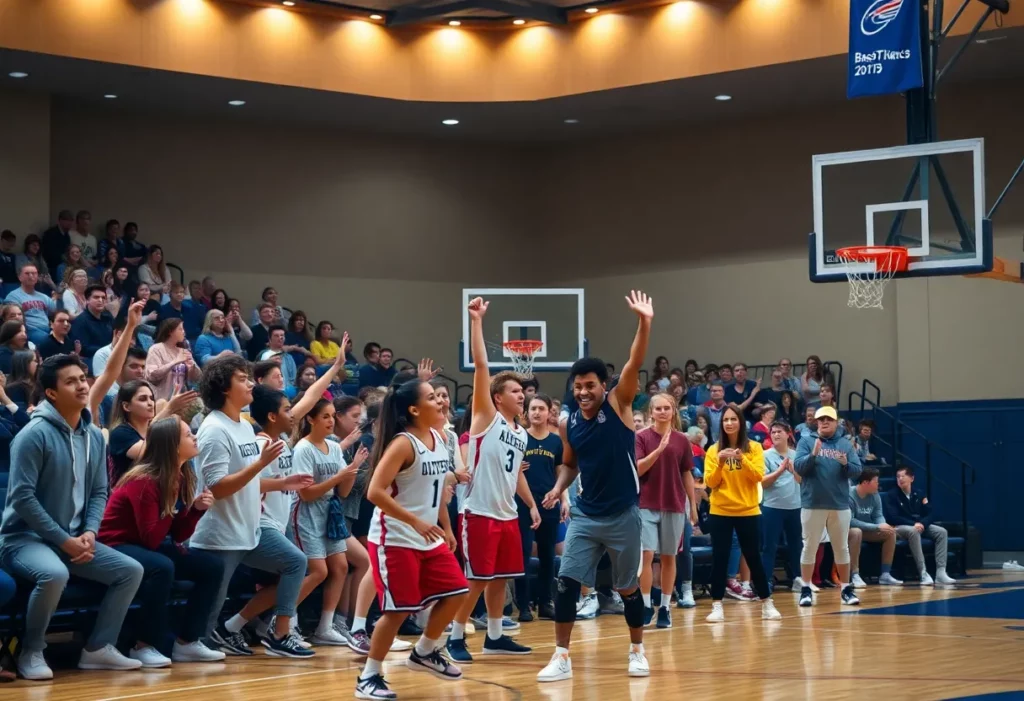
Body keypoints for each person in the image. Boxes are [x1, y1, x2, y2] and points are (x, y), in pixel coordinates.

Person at [0, 354, 145, 680]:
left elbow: (99, 492)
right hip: (23, 539)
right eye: (71, 381)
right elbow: (22, 499)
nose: (82, 385)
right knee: (53, 575)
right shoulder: (32, 435)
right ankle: (32, 650)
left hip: (76, 538)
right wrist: (64, 540)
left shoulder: (94, 435)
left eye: (83, 378)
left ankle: (98, 648)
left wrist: (90, 532)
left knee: (130, 571)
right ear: (51, 393)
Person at [536, 290, 654, 683]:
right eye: (577, 386)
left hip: (623, 514)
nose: (583, 391)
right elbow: (570, 464)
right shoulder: (568, 423)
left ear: (604, 385)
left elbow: (635, 360)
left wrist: (644, 321)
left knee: (627, 589)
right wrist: (558, 488)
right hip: (587, 513)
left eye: (590, 385)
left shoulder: (619, 404)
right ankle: (561, 656)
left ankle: (637, 650)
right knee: (566, 582)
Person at [188, 355, 313, 658]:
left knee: (295, 562)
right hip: (221, 533)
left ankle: (280, 634)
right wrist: (260, 464)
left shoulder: (243, 426)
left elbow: (247, 481)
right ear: (225, 389)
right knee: (208, 612)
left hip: (250, 530)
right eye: (242, 379)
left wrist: (282, 483)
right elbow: (218, 486)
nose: (249, 384)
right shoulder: (214, 429)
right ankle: (196, 646)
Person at [355, 379, 469, 700]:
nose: (441, 402)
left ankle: (424, 652)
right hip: (395, 538)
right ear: (414, 409)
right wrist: (416, 521)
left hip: (427, 535)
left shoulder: (437, 436)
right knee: (396, 611)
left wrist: (445, 526)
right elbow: (375, 491)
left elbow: (438, 490)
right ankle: (369, 676)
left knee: (458, 591)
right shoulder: (403, 444)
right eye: (433, 398)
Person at [445, 297, 538, 663]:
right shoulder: (486, 418)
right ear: (497, 398)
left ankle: (496, 636)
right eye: (516, 391)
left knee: (502, 578)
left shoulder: (523, 433)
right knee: (478, 578)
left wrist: (529, 505)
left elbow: (515, 476)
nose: (523, 395)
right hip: (478, 511)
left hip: (506, 513)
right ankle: (455, 636)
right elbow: (482, 366)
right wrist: (477, 322)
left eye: (523, 391)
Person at [96, 417, 227, 665]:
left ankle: (188, 642)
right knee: (161, 566)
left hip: (143, 543)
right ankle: (143, 645)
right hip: (115, 543)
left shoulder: (179, 475)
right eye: (189, 435)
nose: (195, 437)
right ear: (172, 445)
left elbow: (175, 536)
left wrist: (195, 511)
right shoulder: (145, 480)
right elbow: (153, 538)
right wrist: (171, 504)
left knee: (211, 566)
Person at [287, 399, 359, 644]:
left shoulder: (335, 447)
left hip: (329, 511)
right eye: (325, 416)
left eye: (332, 416)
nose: (331, 421)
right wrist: (340, 475)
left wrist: (352, 470)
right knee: (318, 571)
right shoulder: (303, 449)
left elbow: (345, 491)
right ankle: (284, 622)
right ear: (311, 419)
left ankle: (325, 628)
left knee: (340, 567)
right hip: (305, 512)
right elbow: (305, 493)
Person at [702, 405, 780, 623]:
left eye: (733, 419)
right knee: (720, 558)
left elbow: (757, 476)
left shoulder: (754, 447)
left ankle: (767, 603)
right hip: (720, 511)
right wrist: (720, 462)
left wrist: (741, 458)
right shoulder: (713, 449)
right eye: (725, 420)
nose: (728, 423)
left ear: (740, 422)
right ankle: (717, 605)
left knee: (754, 558)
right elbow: (710, 482)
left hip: (748, 510)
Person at [635, 393, 696, 629]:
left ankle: (666, 608)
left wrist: (692, 505)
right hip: (646, 504)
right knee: (647, 555)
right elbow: (638, 469)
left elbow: (686, 473)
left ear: (673, 412)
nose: (662, 412)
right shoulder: (640, 437)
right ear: (651, 412)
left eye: (666, 408)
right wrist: (658, 450)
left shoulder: (682, 440)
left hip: (674, 503)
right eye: (658, 408)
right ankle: (646, 604)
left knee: (670, 556)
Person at [793, 406, 863, 607]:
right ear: (816, 422)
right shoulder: (806, 441)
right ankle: (806, 588)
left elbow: (857, 471)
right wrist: (813, 455)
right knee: (809, 547)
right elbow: (799, 468)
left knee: (841, 547)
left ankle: (846, 588)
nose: (824, 422)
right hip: (812, 504)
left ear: (835, 422)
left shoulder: (845, 444)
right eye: (821, 419)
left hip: (839, 504)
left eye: (828, 419)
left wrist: (845, 464)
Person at [515, 394, 569, 623]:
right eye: (533, 408)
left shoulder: (556, 441)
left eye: (541, 408)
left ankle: (546, 602)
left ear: (550, 412)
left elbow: (560, 472)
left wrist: (564, 498)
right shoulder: (518, 438)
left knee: (548, 556)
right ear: (526, 413)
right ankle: (524, 604)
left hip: (549, 502)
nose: (537, 412)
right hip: (522, 503)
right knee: (523, 555)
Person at [106, 380, 198, 485]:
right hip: (131, 492)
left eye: (151, 398)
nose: (150, 403)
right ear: (126, 406)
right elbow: (150, 453)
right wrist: (168, 410)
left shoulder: (155, 427)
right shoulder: (119, 433)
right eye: (142, 399)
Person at [884, 465, 956, 585]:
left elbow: (930, 513)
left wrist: (922, 523)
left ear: (912, 478)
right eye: (898, 477)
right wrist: (914, 524)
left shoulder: (919, 493)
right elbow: (893, 517)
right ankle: (923, 572)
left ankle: (941, 572)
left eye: (903, 476)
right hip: (899, 527)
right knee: (913, 531)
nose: (900, 479)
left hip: (918, 525)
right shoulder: (891, 495)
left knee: (941, 532)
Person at [759, 421, 804, 593]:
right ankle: (767, 580)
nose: (776, 435)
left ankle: (797, 578)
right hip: (772, 507)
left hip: (795, 506)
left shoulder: (797, 454)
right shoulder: (765, 455)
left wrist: (792, 470)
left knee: (796, 545)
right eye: (773, 432)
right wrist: (779, 471)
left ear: (788, 434)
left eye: (779, 432)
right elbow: (762, 483)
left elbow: (803, 481)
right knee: (769, 546)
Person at [848, 468, 903, 588]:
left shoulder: (875, 495)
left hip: (869, 530)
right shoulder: (850, 495)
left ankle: (885, 574)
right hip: (850, 530)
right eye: (876, 482)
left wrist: (883, 526)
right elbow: (850, 521)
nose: (878, 484)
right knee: (857, 532)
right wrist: (877, 526)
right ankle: (855, 574)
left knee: (890, 533)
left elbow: (878, 515)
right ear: (865, 483)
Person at [145, 319, 201, 401]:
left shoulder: (183, 351)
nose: (184, 332)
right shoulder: (156, 349)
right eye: (180, 329)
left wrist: (192, 367)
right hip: (162, 399)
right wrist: (175, 361)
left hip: (182, 398)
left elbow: (198, 377)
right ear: (170, 331)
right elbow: (152, 375)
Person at [4, 263, 55, 346]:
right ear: (20, 277)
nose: (31, 276)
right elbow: (14, 320)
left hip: (48, 329)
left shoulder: (43, 297)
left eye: (34, 273)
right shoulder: (13, 296)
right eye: (27, 273)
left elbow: (55, 312)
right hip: (30, 331)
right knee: (49, 341)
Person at [70, 284, 115, 367]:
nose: (100, 300)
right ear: (87, 300)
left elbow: (116, 336)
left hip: (111, 355)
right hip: (92, 359)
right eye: (96, 297)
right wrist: (109, 350)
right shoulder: (80, 321)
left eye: (103, 298)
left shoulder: (108, 317)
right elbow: (84, 349)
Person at [257, 325, 297, 389]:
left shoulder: (289, 357)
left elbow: (294, 380)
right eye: (276, 336)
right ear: (270, 339)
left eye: (282, 335)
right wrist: (268, 362)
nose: (280, 338)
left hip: (288, 393)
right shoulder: (263, 355)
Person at [41, 209, 74, 273]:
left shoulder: (67, 235)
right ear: (60, 220)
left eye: (71, 220)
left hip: (64, 266)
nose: (70, 223)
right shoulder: (50, 234)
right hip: (52, 268)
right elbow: (49, 254)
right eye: (67, 220)